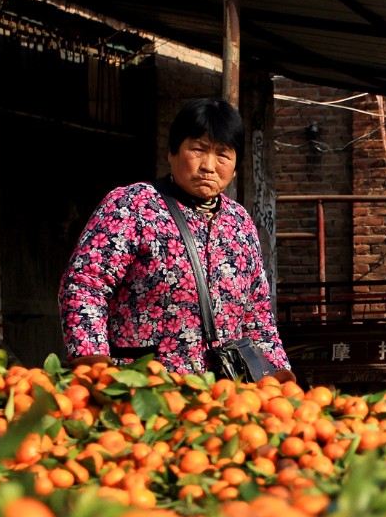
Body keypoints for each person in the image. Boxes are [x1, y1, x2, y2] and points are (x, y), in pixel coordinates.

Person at [59, 98, 292, 381]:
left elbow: (258, 314)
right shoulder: (133, 205)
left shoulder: (240, 222)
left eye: (223, 155)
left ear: (235, 165)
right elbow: (85, 285)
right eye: (198, 149)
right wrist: (94, 365)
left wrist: (277, 376)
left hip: (225, 394)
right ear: (172, 151)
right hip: (145, 388)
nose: (209, 166)